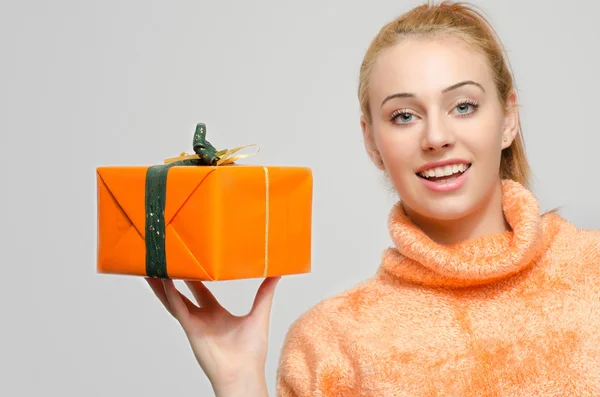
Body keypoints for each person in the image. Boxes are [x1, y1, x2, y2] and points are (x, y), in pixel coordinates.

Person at [145, 1, 600, 395]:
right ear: (371, 142)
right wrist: (239, 381)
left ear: (508, 119)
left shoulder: (591, 272)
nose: (437, 137)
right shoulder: (331, 344)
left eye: (463, 106)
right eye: (404, 116)